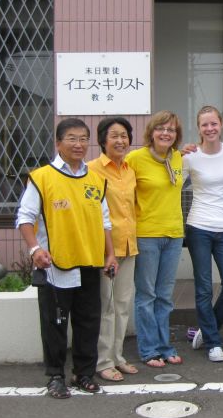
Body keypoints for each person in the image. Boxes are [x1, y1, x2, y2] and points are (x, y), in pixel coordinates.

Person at [17, 118, 118, 398]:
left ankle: (84, 373)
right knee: (55, 324)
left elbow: (105, 222)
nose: (79, 144)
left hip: (89, 261)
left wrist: (110, 254)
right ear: (58, 143)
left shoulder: (96, 179)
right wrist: (35, 249)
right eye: (72, 138)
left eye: (84, 139)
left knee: (88, 322)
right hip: (55, 265)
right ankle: (56, 376)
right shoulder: (41, 177)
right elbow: (25, 219)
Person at [126, 111, 185, 368]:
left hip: (173, 234)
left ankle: (165, 346)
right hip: (147, 235)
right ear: (151, 131)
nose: (166, 133)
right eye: (161, 128)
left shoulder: (178, 158)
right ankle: (149, 349)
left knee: (164, 296)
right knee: (146, 295)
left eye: (171, 130)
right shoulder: (135, 159)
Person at [182, 106, 223, 363]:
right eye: (204, 125)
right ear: (199, 128)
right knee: (204, 288)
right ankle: (213, 342)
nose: (210, 129)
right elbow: (171, 183)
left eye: (213, 124)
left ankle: (206, 330)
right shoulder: (190, 158)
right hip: (199, 227)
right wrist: (176, 152)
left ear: (221, 124)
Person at [88, 117, 139, 381]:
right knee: (106, 306)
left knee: (121, 305)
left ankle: (118, 356)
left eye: (124, 136)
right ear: (102, 141)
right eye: (114, 136)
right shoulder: (92, 170)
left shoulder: (129, 169)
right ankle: (103, 361)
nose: (120, 141)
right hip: (105, 250)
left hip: (129, 247)